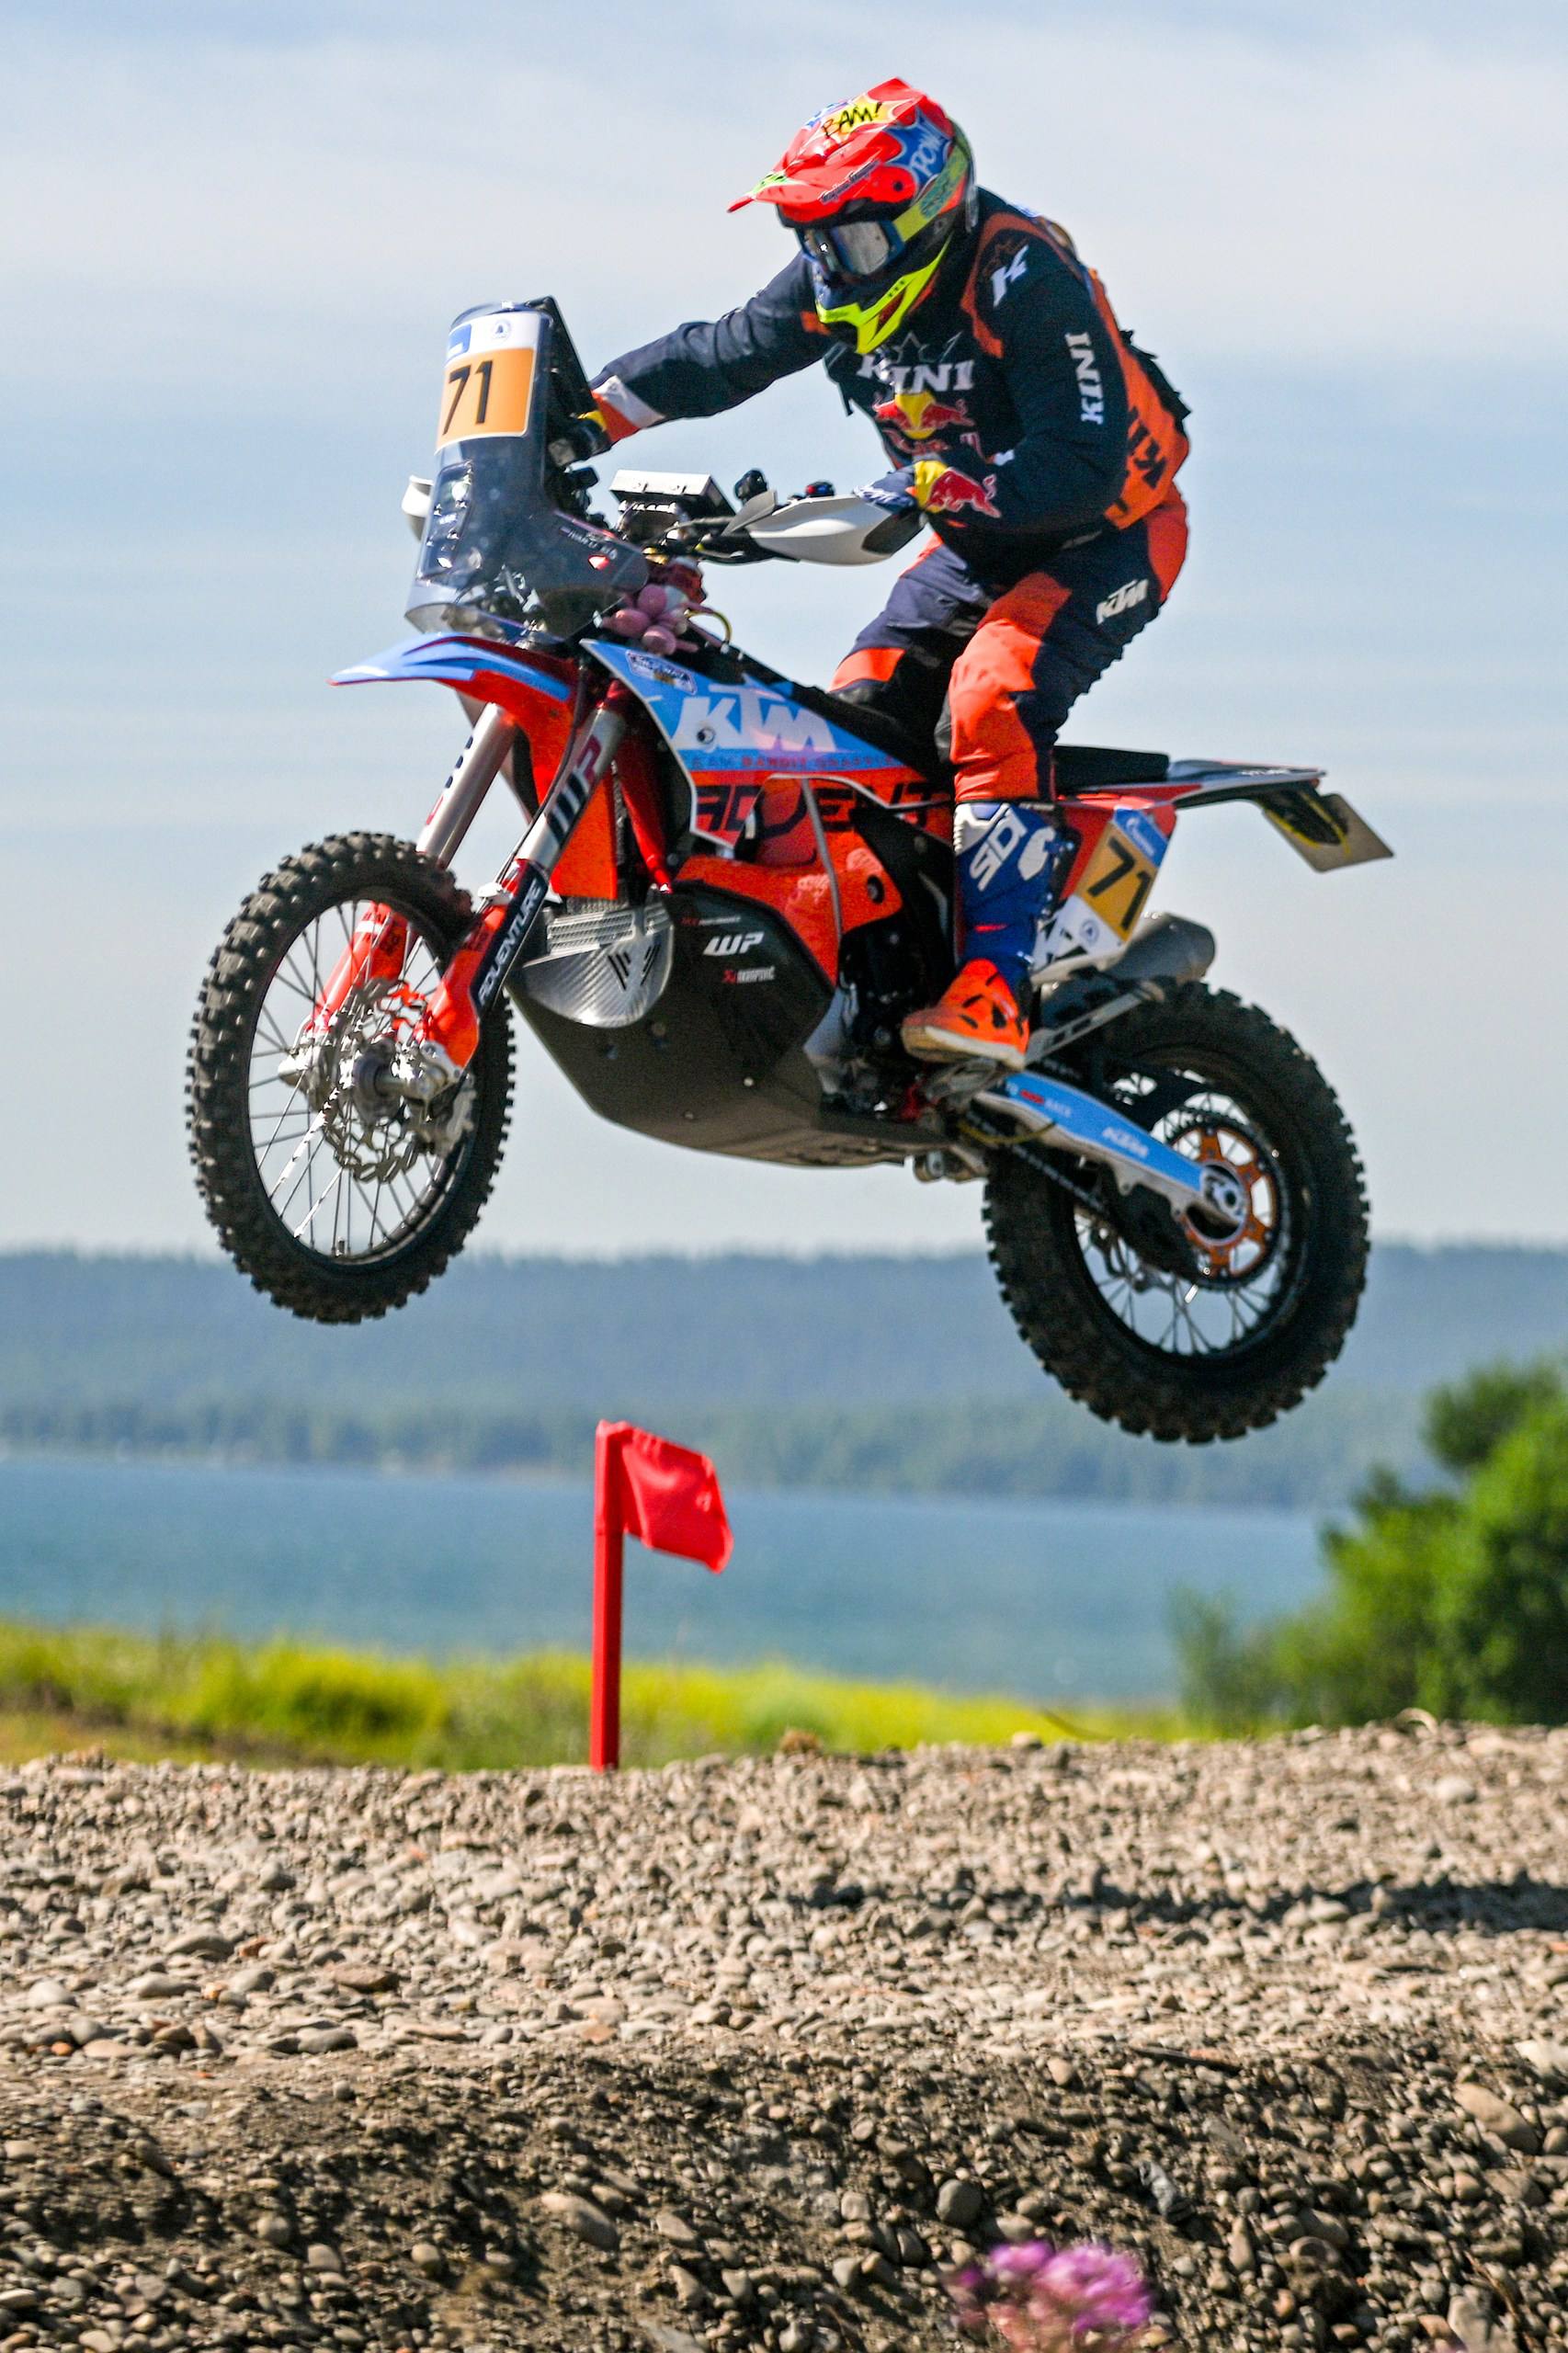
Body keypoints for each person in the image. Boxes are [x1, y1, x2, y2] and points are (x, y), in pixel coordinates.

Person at [590, 78, 1189, 1072]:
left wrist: (934, 484)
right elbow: (718, 357)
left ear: (928, 216)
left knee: (990, 697)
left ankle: (995, 986)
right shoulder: (836, 278)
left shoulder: (1020, 275)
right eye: (813, 239)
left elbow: (1082, 464)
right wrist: (579, 418)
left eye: (855, 239)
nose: (831, 264)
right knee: (852, 723)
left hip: (1109, 534)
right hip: (970, 541)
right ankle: (891, 968)